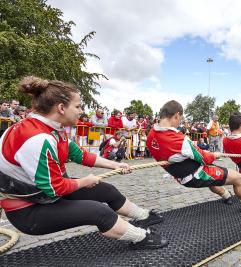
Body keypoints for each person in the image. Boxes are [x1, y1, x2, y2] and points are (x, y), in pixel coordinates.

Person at [0, 76, 167, 249]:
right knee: (98, 211)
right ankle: (140, 238)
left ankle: (144, 217)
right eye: (78, 106)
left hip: (45, 196)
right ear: (61, 108)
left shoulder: (51, 127)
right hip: (27, 211)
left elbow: (81, 155)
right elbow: (56, 187)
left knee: (106, 190)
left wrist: (115, 165)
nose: (81, 111)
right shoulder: (38, 138)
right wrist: (84, 182)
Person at [147, 100, 241, 215]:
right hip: (195, 174)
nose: (180, 123)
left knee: (213, 180)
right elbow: (205, 158)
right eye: (181, 118)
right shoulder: (178, 139)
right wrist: (214, 154)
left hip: (180, 175)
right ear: (177, 115)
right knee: (238, 178)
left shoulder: (151, 135)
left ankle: (226, 196)